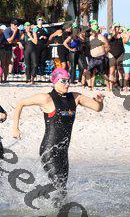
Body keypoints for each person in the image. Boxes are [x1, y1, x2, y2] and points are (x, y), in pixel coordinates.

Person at [12, 68, 104, 203]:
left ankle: (46, 205)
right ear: (55, 81)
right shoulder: (46, 98)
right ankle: (39, 203)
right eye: (63, 81)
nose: (67, 84)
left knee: (62, 188)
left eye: (68, 81)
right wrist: (15, 128)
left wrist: (100, 101)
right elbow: (21, 103)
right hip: (49, 151)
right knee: (59, 187)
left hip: (63, 152)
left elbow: (97, 108)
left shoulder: (75, 97)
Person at [86, 25, 109, 91]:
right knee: (90, 72)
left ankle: (109, 88)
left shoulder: (101, 37)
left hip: (100, 58)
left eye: (94, 31)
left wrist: (104, 54)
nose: (92, 33)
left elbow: (107, 47)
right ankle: (91, 87)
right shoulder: (90, 37)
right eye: (92, 31)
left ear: (96, 31)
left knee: (103, 73)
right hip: (93, 58)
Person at [108, 23, 125, 89]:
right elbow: (109, 38)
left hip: (120, 54)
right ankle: (111, 87)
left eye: (118, 27)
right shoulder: (111, 34)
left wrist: (123, 30)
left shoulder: (121, 35)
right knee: (112, 71)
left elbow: (126, 39)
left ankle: (121, 86)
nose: (117, 28)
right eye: (116, 27)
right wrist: (113, 30)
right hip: (112, 54)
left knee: (120, 70)